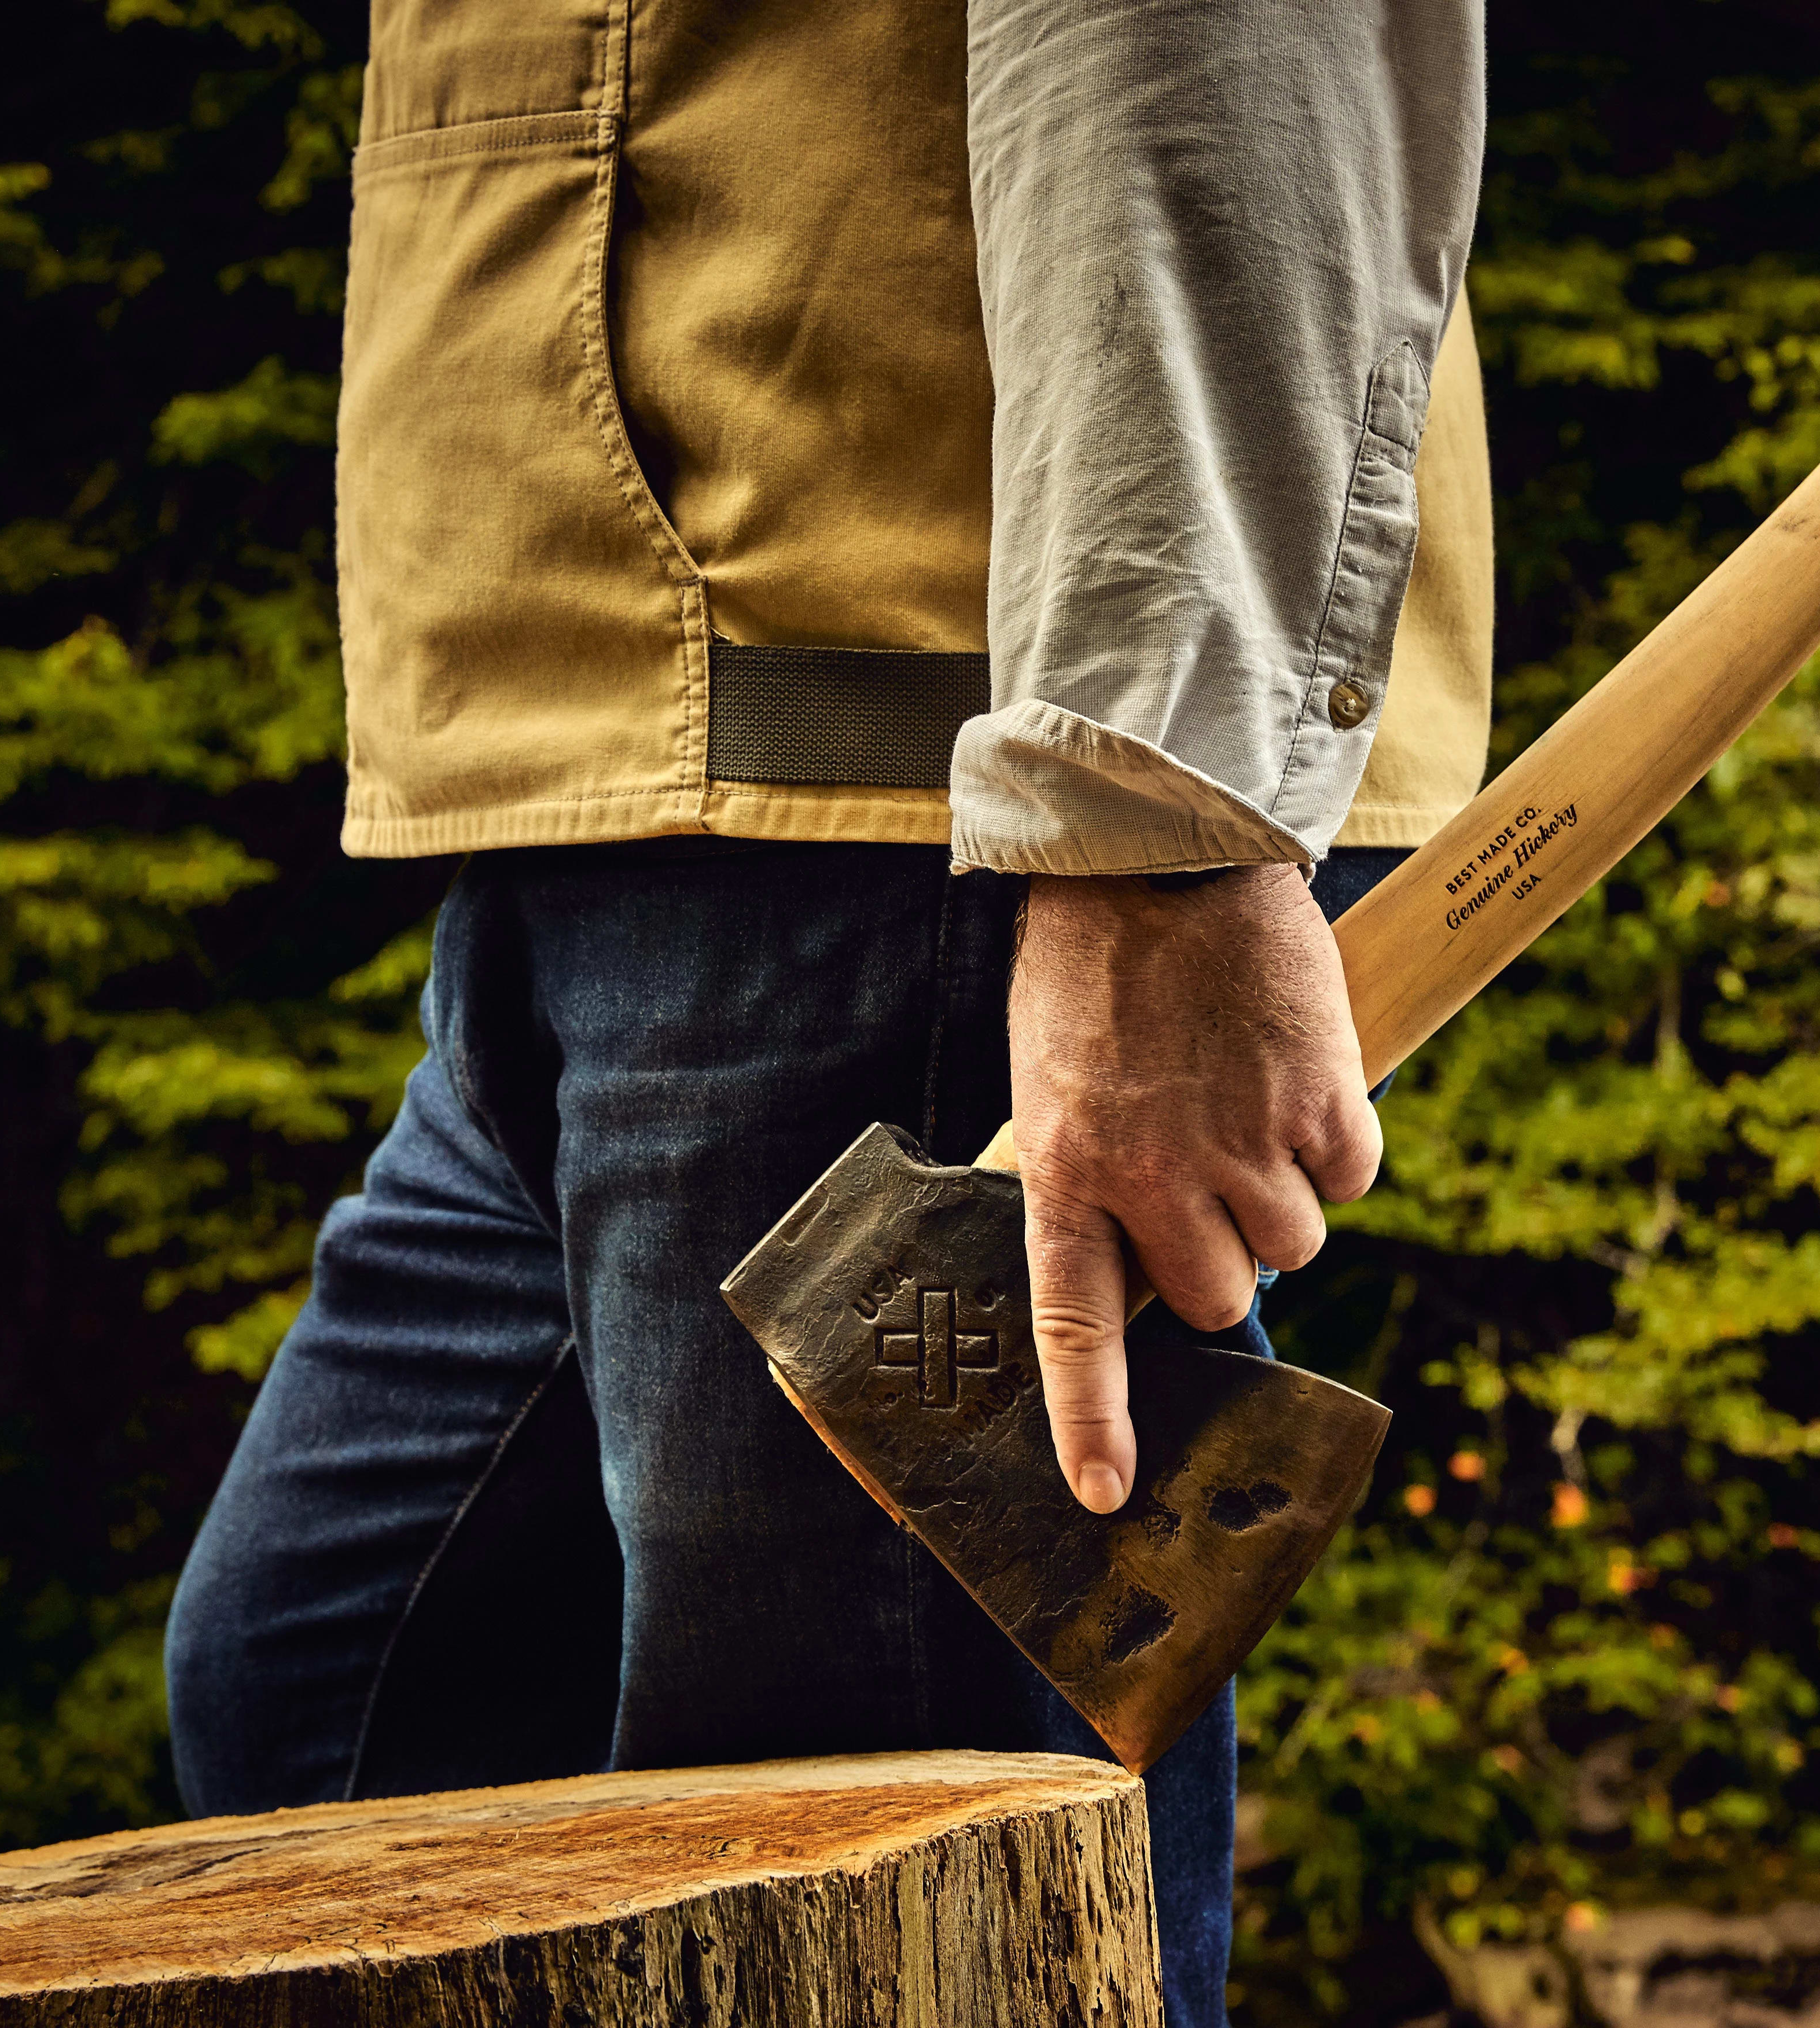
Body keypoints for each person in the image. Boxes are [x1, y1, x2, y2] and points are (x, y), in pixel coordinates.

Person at [163, 1, 1488, 2018]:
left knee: (874, 1920)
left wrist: (1148, 798)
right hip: (611, 799)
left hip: (909, 791)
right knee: (322, 1721)